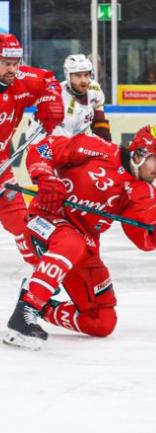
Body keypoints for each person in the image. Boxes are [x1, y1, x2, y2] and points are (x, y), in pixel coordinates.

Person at [3, 125, 156, 350]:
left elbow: (146, 226)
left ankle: (43, 307)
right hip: (45, 221)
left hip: (84, 247)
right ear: (140, 154)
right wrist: (46, 178)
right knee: (71, 242)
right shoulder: (95, 148)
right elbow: (44, 148)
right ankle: (25, 313)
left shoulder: (142, 191)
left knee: (102, 321)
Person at [0, 33, 64, 268]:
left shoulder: (20, 80)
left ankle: (42, 274)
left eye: (16, 62)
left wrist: (52, 102)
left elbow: (48, 80)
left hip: (2, 168)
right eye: (6, 63)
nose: (13, 69)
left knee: (21, 221)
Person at [27, 54, 111, 142]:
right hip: (41, 141)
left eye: (86, 75)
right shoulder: (62, 105)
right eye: (78, 75)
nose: (83, 80)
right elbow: (62, 148)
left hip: (71, 134)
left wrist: (108, 149)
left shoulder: (95, 89)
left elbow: (100, 123)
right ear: (69, 76)